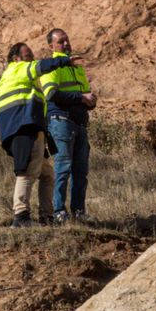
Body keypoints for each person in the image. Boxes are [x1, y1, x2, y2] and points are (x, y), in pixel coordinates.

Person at [37, 27, 97, 224]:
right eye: (61, 41)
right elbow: (52, 94)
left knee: (81, 171)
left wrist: (90, 100)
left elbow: (85, 95)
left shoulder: (77, 68)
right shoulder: (51, 67)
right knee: (63, 168)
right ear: (51, 46)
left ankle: (79, 212)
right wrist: (81, 97)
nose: (66, 44)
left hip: (80, 124)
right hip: (61, 122)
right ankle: (58, 212)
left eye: (67, 40)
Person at [0, 42, 54, 228]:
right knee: (28, 171)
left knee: (47, 174)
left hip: (21, 127)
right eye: (28, 55)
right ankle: (21, 216)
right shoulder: (19, 68)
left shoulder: (9, 77)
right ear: (16, 58)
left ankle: (47, 217)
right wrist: (64, 61)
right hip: (26, 126)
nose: (32, 58)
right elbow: (42, 66)